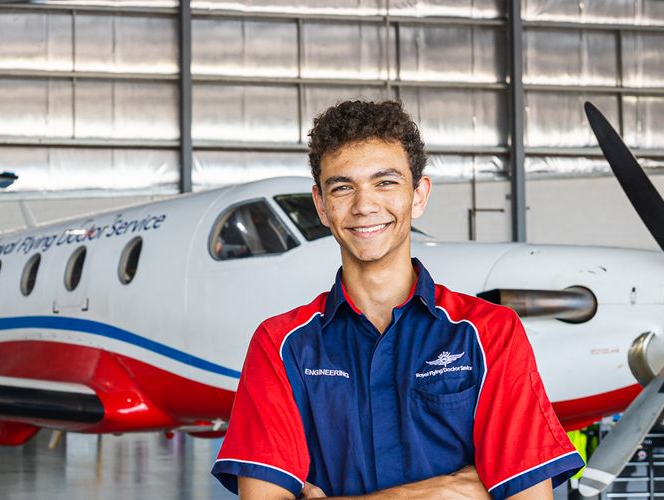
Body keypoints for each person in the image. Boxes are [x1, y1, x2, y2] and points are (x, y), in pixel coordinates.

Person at [209, 100, 582, 500]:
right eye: (342, 187)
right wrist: (443, 491)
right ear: (321, 205)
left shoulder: (490, 334)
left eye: (385, 182)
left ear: (418, 195)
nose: (364, 205)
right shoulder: (281, 346)